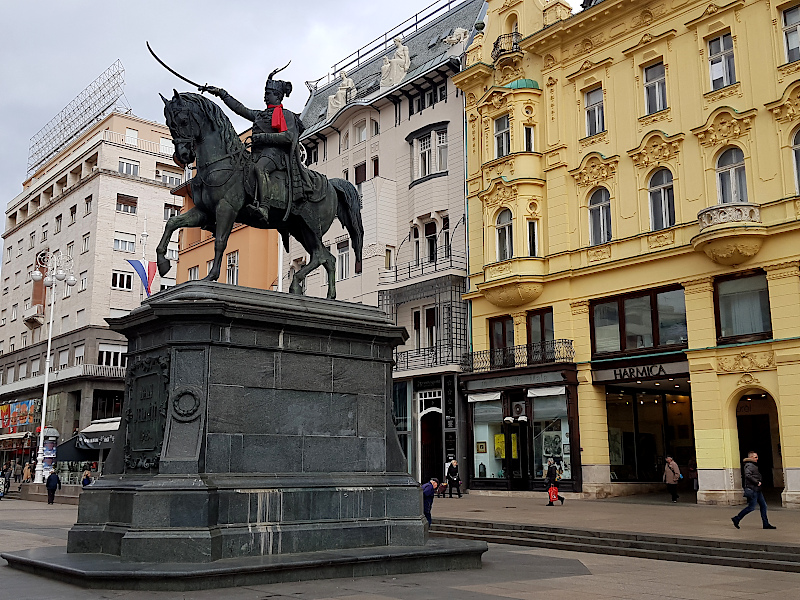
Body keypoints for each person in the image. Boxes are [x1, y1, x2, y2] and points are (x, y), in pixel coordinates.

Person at [203, 66, 325, 223]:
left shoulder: (287, 115)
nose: (265, 97)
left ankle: (264, 207)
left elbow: (289, 137)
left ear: (277, 96)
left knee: (260, 168)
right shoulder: (260, 115)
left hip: (277, 155)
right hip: (258, 153)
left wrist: (263, 137)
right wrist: (221, 93)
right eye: (264, 94)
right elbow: (239, 109)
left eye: (268, 94)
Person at [732, 451, 776, 530]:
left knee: (763, 506)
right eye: (755, 457)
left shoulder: (752, 465)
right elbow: (747, 475)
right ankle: (737, 518)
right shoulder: (749, 465)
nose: (757, 459)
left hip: (757, 490)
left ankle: (766, 524)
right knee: (751, 507)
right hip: (753, 489)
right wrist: (756, 482)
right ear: (751, 457)